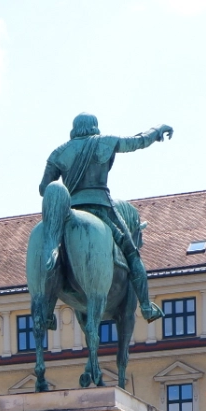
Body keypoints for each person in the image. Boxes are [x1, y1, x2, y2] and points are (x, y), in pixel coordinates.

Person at [36, 112, 171, 322]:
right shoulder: (105, 142)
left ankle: (46, 312)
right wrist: (157, 130)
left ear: (74, 128)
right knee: (133, 255)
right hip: (102, 208)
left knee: (51, 254)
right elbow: (138, 141)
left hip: (68, 212)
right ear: (94, 127)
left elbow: (44, 188)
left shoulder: (58, 153)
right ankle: (146, 306)